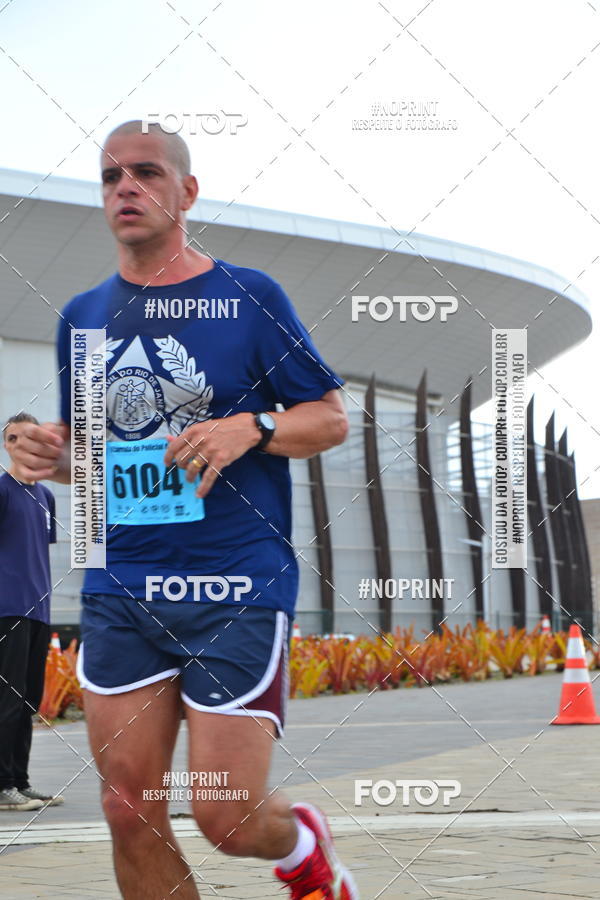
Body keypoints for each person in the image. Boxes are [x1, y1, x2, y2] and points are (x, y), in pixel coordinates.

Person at [12, 120, 357, 899]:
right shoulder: (82, 317)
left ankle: (301, 847)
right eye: (110, 178)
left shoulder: (249, 297)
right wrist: (50, 455)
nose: (125, 189)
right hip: (122, 586)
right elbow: (98, 460)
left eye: (145, 173)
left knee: (227, 818)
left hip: (235, 585)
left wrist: (255, 426)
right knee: (127, 806)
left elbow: (330, 418)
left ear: (186, 191)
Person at [0, 413, 64, 811]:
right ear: (7, 444)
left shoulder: (46, 496)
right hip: (6, 609)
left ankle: (19, 782)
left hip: (38, 608)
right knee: (6, 699)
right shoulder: (2, 490)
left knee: (27, 700)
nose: (20, 444)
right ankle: (3, 785)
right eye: (12, 438)